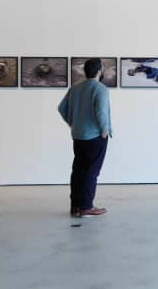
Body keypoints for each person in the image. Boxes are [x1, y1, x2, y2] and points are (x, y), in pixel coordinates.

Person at [58, 58, 112, 217]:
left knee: (78, 170)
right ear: (99, 71)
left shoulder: (75, 88)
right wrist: (104, 130)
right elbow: (101, 112)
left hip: (78, 135)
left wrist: (73, 123)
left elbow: (62, 108)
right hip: (95, 136)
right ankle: (86, 206)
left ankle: (75, 205)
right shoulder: (100, 89)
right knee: (91, 172)